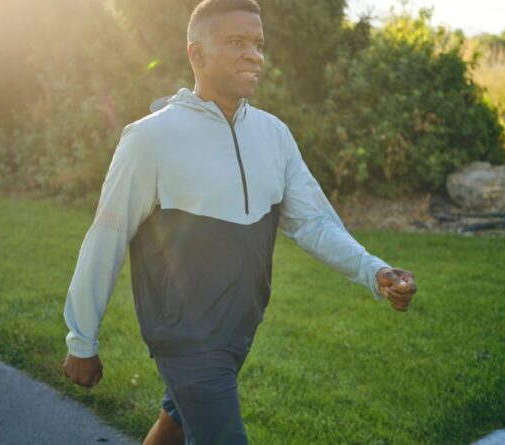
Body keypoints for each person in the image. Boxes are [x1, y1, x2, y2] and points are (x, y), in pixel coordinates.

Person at [62, 1, 417, 444]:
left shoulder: (274, 135)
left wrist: (375, 270)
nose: (255, 55)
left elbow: (313, 224)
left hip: (240, 326)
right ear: (197, 54)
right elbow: (107, 236)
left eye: (258, 44)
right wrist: (82, 339)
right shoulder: (150, 139)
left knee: (176, 423)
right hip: (185, 336)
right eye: (236, 42)